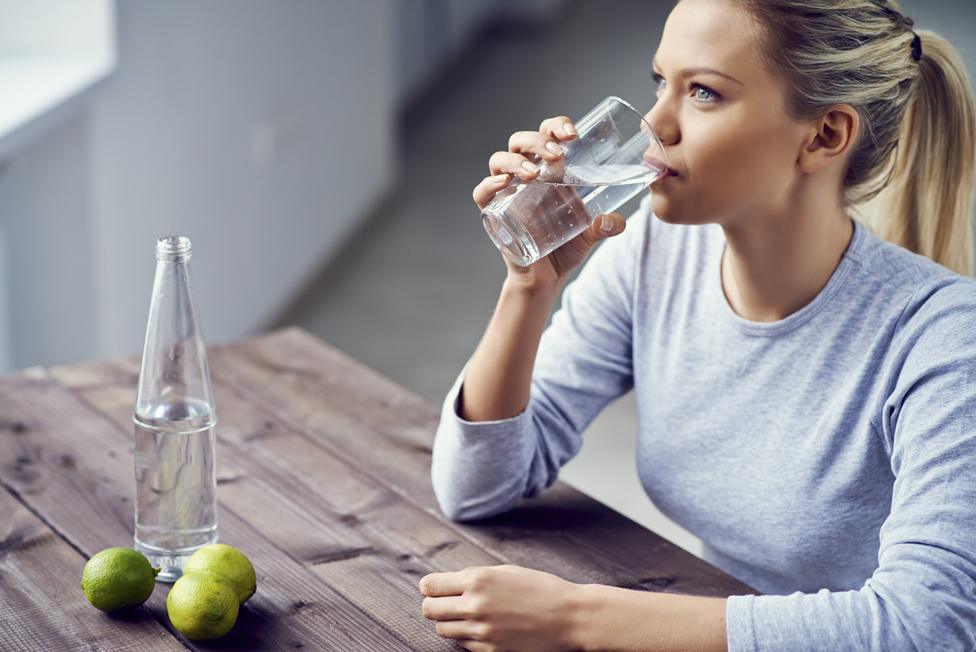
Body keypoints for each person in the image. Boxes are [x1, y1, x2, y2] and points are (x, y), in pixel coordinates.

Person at [417, 0, 976, 649]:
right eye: (662, 82)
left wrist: (576, 619)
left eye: (704, 93)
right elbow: (476, 487)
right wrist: (527, 287)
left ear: (825, 135)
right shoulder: (653, 253)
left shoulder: (944, 338)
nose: (655, 124)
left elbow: (929, 626)